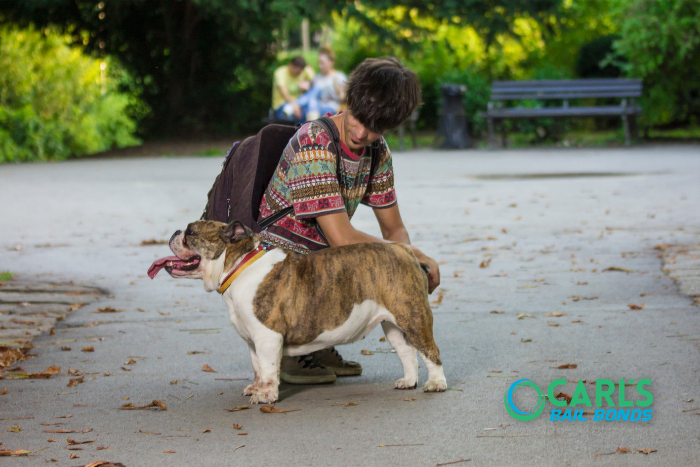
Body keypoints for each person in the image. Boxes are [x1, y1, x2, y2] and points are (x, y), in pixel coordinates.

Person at [258, 57, 441, 385]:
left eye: (374, 128)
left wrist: (404, 278)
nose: (361, 132)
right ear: (349, 101)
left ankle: (321, 339)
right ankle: (292, 347)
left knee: (370, 263)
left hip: (321, 262)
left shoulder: (377, 152)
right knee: (357, 256)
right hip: (279, 267)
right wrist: (410, 257)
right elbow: (342, 237)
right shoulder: (315, 141)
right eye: (357, 117)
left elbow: (394, 228)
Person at [301, 47, 347, 121]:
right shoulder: (317, 77)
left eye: (322, 63)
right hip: (316, 106)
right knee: (306, 109)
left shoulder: (339, 77)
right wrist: (304, 88)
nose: (320, 66)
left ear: (331, 63)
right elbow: (311, 94)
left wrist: (339, 91)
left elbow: (343, 99)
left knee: (309, 110)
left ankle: (310, 126)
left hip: (332, 107)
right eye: (319, 63)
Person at [272, 56, 315, 123]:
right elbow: (284, 93)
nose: (299, 74)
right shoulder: (280, 72)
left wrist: (308, 84)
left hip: (300, 103)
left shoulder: (304, 71)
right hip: (282, 104)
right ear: (291, 66)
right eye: (297, 72)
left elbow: (315, 83)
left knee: (315, 92)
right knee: (299, 115)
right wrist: (294, 105)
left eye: (300, 72)